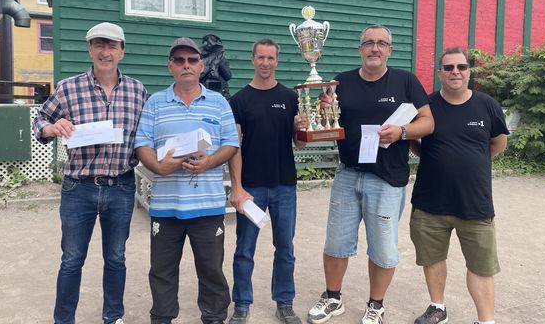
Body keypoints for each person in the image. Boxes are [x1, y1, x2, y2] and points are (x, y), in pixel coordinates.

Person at [307, 24, 434, 324]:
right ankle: (333, 298)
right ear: (360, 49)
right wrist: (324, 108)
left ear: (389, 50)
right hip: (348, 174)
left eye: (381, 43)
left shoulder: (406, 81)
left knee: (383, 248)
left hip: (387, 179)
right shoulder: (342, 82)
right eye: (369, 43)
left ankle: (376, 304)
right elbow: (328, 122)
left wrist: (402, 131)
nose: (375, 48)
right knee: (335, 242)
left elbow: (428, 122)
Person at [33, 22, 147, 324]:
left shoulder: (138, 91)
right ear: (90, 49)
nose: (105, 52)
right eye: (99, 45)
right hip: (78, 188)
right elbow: (40, 119)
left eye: (112, 46)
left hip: (121, 186)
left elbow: (146, 135)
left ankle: (113, 317)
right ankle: (64, 319)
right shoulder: (69, 88)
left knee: (116, 258)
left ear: (122, 51)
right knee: (71, 260)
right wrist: (50, 127)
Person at [134, 37, 239, 324]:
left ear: (201, 65)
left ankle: (214, 317)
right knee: (162, 270)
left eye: (192, 60)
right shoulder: (155, 102)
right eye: (179, 61)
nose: (186, 65)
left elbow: (231, 145)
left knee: (211, 270)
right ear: (170, 67)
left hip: (208, 206)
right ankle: (162, 318)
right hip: (167, 207)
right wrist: (158, 166)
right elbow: (142, 143)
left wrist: (209, 162)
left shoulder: (218, 103)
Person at [409, 47, 509, 324]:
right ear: (439, 72)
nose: (455, 72)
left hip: (474, 202)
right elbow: (414, 141)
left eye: (461, 67)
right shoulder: (426, 107)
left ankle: (486, 321)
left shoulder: (487, 105)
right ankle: (437, 308)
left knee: (481, 266)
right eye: (449, 67)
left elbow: (499, 141)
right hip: (431, 201)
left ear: (469, 72)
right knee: (432, 258)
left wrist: (474, 160)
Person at [227, 39, 308, 324]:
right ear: (252, 60)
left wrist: (301, 130)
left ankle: (284, 303)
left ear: (277, 61)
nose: (265, 63)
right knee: (244, 249)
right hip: (252, 187)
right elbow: (233, 147)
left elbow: (298, 145)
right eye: (260, 57)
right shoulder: (239, 100)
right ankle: (241, 304)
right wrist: (236, 186)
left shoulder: (290, 97)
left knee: (285, 247)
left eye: (270, 58)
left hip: (284, 184)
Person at [200, 34, 232, 99]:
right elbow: (200, 75)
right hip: (205, 92)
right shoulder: (199, 58)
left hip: (220, 91)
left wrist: (219, 60)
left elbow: (227, 76)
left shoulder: (221, 57)